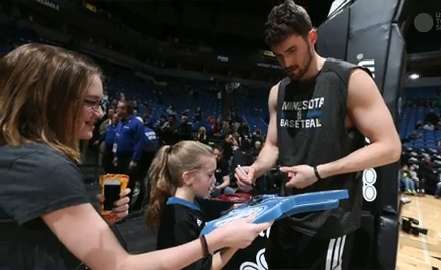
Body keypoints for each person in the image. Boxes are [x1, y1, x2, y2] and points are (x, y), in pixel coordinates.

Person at [0, 43, 269, 270]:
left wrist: (96, 219)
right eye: (91, 102)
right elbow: (120, 266)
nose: (101, 113)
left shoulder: (22, 157)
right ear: (52, 101)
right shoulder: (44, 167)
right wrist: (217, 241)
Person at [235, 1, 401, 269]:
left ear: (311, 37)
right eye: (279, 56)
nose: (287, 62)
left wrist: (319, 171)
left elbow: (390, 148)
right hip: (285, 216)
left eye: (292, 51)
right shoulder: (278, 91)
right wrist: (255, 170)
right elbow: (273, 145)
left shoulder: (350, 79)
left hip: (329, 223)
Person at [146, 141, 251, 270]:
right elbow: (202, 267)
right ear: (188, 178)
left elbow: (220, 208)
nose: (214, 180)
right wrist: (235, 243)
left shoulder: (195, 202)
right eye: (209, 175)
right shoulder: (179, 219)